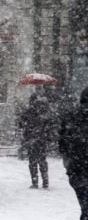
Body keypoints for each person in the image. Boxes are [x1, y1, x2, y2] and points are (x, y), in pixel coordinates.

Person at [60, 87, 88, 220]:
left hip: (77, 170)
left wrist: (69, 164)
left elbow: (62, 143)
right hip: (78, 167)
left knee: (85, 208)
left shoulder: (70, 115)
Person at [18, 91, 53, 189]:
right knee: (42, 160)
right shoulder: (44, 111)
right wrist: (47, 136)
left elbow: (21, 124)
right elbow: (49, 125)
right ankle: (45, 182)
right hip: (41, 139)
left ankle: (35, 182)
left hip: (31, 139)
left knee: (32, 161)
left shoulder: (28, 111)